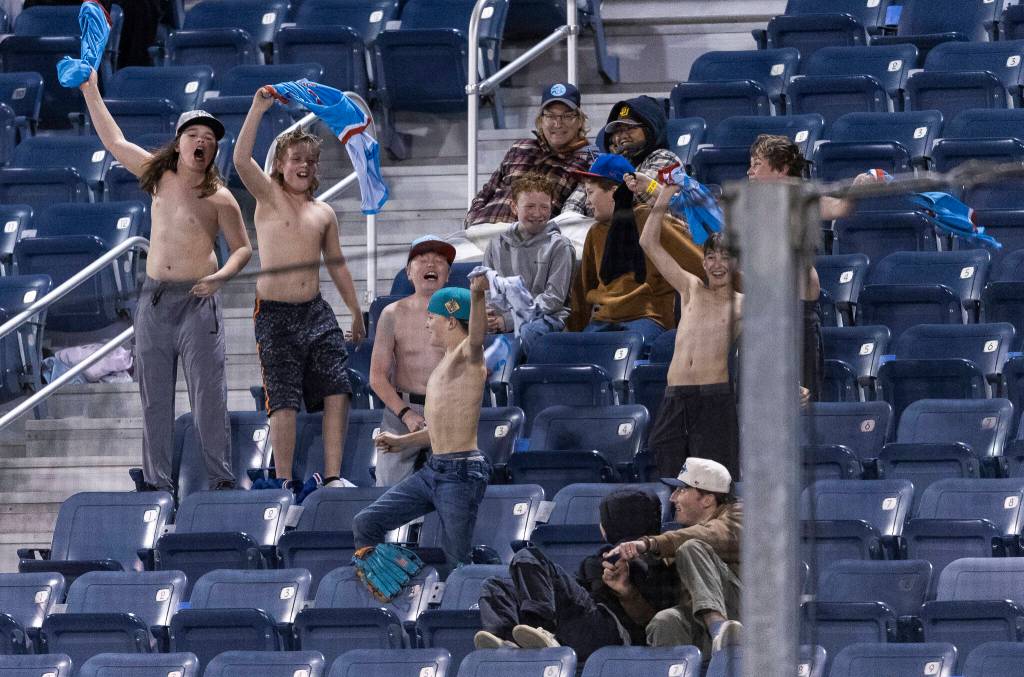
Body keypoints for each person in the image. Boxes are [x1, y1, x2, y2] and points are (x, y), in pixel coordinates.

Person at [79, 68, 252, 492]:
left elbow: (243, 248)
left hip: (198, 301)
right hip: (155, 301)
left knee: (208, 397)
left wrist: (220, 277)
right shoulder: (159, 177)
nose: (202, 142)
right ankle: (158, 485)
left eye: (209, 139)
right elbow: (114, 141)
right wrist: (91, 90)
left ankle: (221, 480)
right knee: (154, 398)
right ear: (179, 142)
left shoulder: (220, 197)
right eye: (194, 134)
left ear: (213, 152)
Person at [234, 88, 365, 493]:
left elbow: (337, 264)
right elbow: (240, 159)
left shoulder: (323, 212)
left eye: (311, 161)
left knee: (337, 389)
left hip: (316, 311)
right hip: (274, 315)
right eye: (296, 160)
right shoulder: (268, 197)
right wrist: (257, 108)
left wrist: (356, 311)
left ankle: (332, 476)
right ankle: (285, 481)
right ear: (280, 166)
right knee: (284, 400)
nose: (304, 166)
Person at [353, 281, 491, 567]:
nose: (427, 323)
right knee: (366, 523)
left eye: (432, 316)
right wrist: (401, 442)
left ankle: (466, 605)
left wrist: (477, 294)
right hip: (435, 469)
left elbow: (476, 338)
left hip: (461, 472)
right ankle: (388, 588)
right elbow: (441, 433)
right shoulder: (444, 363)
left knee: (458, 563)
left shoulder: (468, 358)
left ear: (451, 321)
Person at [473, 488, 678, 661]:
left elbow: (653, 622)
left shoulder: (655, 562)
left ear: (609, 526)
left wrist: (627, 592)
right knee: (495, 585)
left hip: (613, 632)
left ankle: (540, 629)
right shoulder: (601, 559)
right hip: (584, 626)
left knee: (527, 557)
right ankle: (507, 642)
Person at [637, 180, 742, 479]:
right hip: (674, 398)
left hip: (714, 400)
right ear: (704, 261)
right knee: (669, 480)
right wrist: (664, 197)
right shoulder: (690, 288)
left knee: (715, 484)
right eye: (711, 257)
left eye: (725, 257)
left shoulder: (742, 304)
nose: (717, 264)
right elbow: (649, 244)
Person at [608, 457, 743, 656]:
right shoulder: (678, 543)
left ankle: (719, 629)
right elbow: (649, 619)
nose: (672, 498)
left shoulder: (740, 514)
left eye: (682, 490)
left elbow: (713, 534)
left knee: (691, 547)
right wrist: (628, 593)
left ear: (707, 499)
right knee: (665, 621)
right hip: (704, 628)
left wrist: (649, 543)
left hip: (749, 615)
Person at [566, 154, 703, 345]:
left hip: (647, 318)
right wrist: (572, 334)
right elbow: (582, 290)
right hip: (602, 320)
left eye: (590, 192)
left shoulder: (650, 219)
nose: (587, 202)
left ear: (614, 192)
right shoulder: (595, 232)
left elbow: (698, 260)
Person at [369, 235, 453, 486]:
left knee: (453, 487)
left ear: (448, 274)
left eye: (439, 261)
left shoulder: (460, 311)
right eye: (423, 260)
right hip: (402, 411)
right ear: (408, 272)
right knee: (386, 493)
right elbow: (377, 376)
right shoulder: (391, 314)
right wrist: (406, 414)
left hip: (448, 410)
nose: (431, 265)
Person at [466, 82, 597, 227]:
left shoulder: (588, 161)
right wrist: (472, 220)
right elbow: (487, 191)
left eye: (567, 116)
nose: (558, 124)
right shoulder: (521, 146)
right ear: (541, 120)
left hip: (527, 241)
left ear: (579, 120)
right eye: (550, 116)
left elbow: (572, 212)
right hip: (480, 229)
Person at [481, 173, 575, 356]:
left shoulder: (560, 246)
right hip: (505, 317)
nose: (538, 214)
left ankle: (536, 382)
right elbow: (488, 291)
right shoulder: (495, 245)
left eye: (544, 207)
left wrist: (508, 320)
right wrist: (490, 317)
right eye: (530, 206)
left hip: (548, 318)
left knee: (529, 331)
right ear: (514, 207)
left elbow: (553, 300)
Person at [563, 95, 681, 215]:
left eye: (630, 128)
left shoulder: (666, 158)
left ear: (650, 129)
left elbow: (636, 200)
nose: (622, 136)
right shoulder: (607, 163)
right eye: (617, 131)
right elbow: (572, 204)